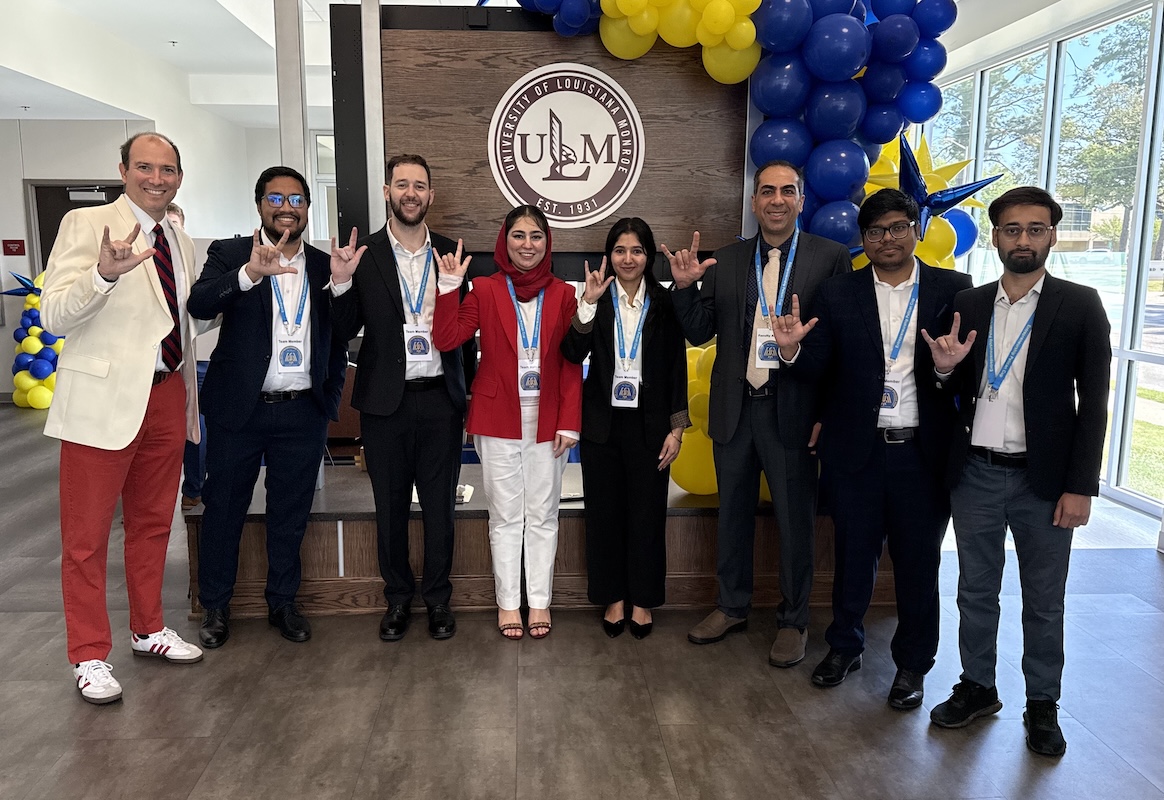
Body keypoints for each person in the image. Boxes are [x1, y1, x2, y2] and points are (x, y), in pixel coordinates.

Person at [926, 186, 1110, 757]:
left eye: (1035, 229)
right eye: (1012, 229)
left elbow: (1095, 403)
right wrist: (943, 372)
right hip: (976, 473)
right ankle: (978, 686)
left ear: (1052, 235)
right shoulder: (969, 303)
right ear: (996, 237)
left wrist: (1081, 487)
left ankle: (1042, 704)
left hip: (1046, 481)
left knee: (1044, 599)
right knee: (974, 590)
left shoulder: (1080, 304)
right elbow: (946, 386)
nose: (1023, 239)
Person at [773, 189, 972, 708]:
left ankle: (912, 665)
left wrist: (948, 369)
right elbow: (819, 366)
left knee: (917, 563)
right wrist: (793, 351)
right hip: (856, 452)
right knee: (853, 558)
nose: (888, 238)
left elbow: (969, 373)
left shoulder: (954, 290)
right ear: (863, 240)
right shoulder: (840, 293)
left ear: (915, 229)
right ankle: (844, 646)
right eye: (877, 230)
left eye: (898, 227)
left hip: (921, 455)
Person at [41, 132, 207, 704]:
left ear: (179, 176)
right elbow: (56, 314)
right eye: (145, 167)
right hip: (103, 403)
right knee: (85, 539)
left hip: (165, 395)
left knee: (153, 525)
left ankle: (148, 627)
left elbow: (180, 322)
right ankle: (89, 655)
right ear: (123, 169)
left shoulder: (179, 238)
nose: (156, 178)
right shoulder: (85, 226)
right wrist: (103, 276)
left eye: (167, 169)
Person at [666, 160, 850, 666]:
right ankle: (731, 606)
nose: (775, 200)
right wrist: (683, 288)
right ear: (753, 201)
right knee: (734, 516)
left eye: (786, 191)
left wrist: (827, 412)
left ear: (801, 199)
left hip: (793, 410)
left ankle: (793, 621)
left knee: (795, 521)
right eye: (766, 191)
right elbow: (700, 332)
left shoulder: (829, 258)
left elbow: (838, 344)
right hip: (735, 409)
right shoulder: (726, 259)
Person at [187, 166, 347, 647]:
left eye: (296, 200)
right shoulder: (231, 253)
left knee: (289, 513)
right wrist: (249, 275)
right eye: (276, 199)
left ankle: (283, 602)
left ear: (306, 209)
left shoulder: (323, 265)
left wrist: (341, 287)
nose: (286, 208)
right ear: (259, 204)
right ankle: (215, 606)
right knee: (224, 509)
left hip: (302, 412)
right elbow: (198, 304)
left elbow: (339, 336)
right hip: (240, 409)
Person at [330, 154, 474, 642]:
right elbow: (344, 328)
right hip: (384, 404)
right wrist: (342, 282)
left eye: (419, 185)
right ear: (387, 192)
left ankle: (437, 600)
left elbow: (465, 333)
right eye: (401, 184)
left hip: (440, 400)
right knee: (388, 507)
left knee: (440, 508)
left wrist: (467, 398)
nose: (410, 193)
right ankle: (396, 601)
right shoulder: (363, 253)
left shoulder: (452, 253)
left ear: (431, 195)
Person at [432, 205, 582, 640]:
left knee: (543, 514)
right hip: (497, 417)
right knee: (504, 517)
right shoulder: (484, 289)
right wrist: (448, 288)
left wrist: (570, 421)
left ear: (547, 242)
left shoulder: (564, 295)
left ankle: (540, 602)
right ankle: (507, 604)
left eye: (536, 236)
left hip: (549, 420)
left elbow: (572, 363)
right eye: (519, 235)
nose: (527, 245)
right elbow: (446, 338)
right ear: (505, 241)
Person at [561, 218, 689, 639]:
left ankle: (643, 600)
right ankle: (613, 598)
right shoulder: (595, 298)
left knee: (647, 515)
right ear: (609, 255)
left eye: (636, 251)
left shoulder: (665, 302)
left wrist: (677, 428)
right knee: (605, 515)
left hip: (651, 426)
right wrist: (587, 305)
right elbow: (571, 351)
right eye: (620, 250)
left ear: (648, 256)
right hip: (603, 425)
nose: (628, 258)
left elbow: (676, 367)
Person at [167, 202, 208, 512]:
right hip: (156, 368)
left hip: (198, 358)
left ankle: (193, 488)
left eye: (174, 226)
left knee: (198, 427)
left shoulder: (193, 255)